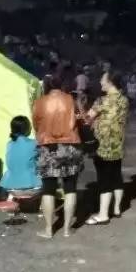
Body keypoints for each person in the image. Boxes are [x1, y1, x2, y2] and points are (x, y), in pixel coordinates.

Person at [33, 75, 83, 238]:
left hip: (48, 147)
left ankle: (48, 230)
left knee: (48, 189)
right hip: (70, 146)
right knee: (70, 188)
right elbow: (79, 119)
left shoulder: (40, 102)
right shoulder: (70, 99)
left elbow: (36, 124)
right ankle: (67, 229)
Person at [85, 71, 129, 225]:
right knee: (116, 175)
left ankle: (103, 215)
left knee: (104, 180)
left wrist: (81, 107)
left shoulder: (101, 100)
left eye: (102, 80)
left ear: (110, 82)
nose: (100, 82)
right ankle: (116, 209)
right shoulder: (124, 100)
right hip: (118, 144)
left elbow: (88, 118)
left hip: (102, 145)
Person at [0, 116, 41, 191]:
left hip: (9, 183)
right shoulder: (34, 143)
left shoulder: (9, 144)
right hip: (30, 183)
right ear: (26, 129)